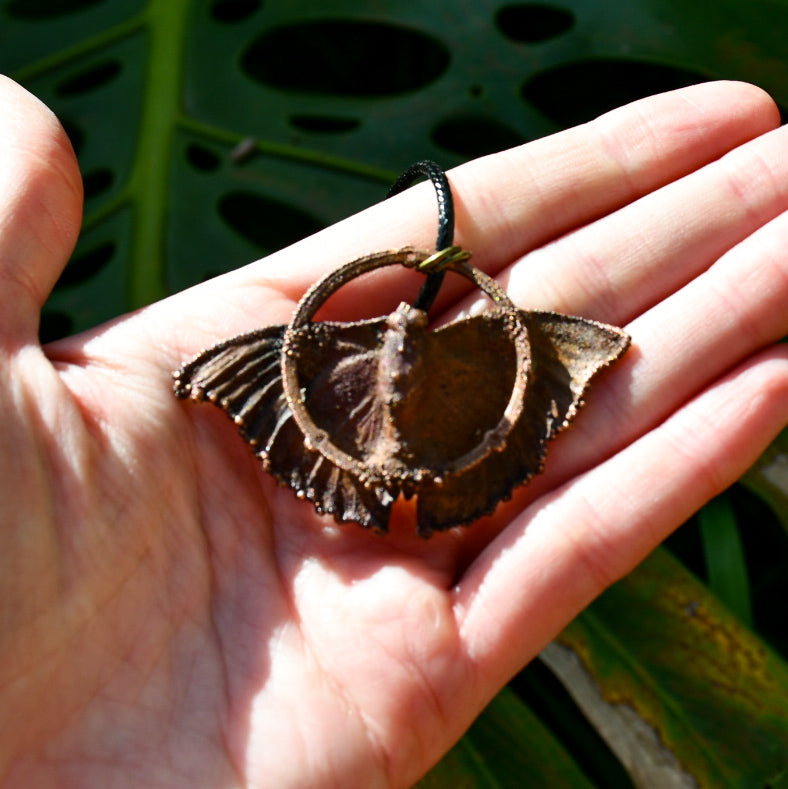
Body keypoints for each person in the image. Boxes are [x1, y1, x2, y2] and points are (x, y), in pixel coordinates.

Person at [1, 75, 786, 787]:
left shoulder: (369, 348)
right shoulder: (311, 355)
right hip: (372, 456)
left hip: (435, 444)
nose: (406, 343)